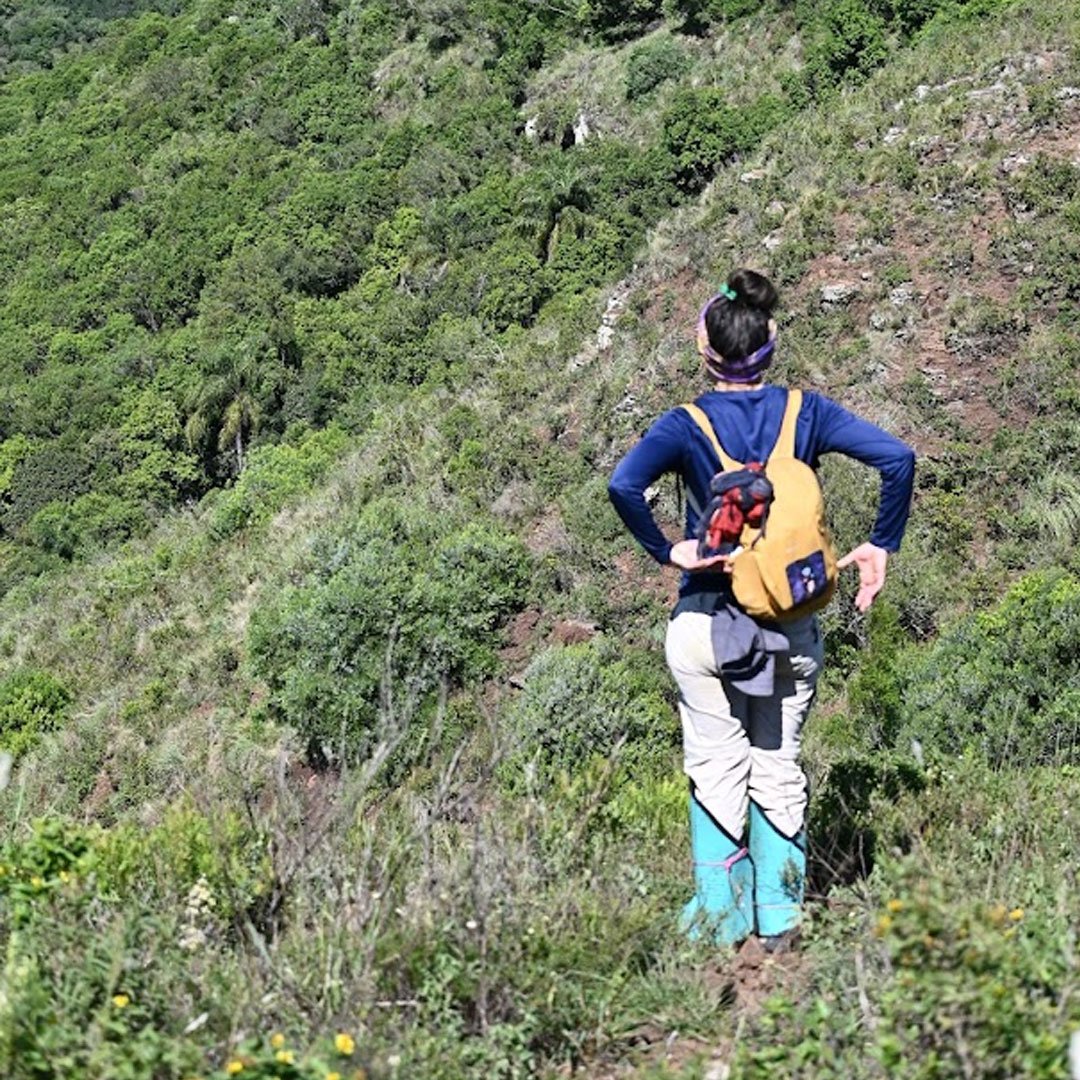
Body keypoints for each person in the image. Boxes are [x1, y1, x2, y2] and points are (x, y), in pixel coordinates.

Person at [608, 269, 915, 950]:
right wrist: (880, 544)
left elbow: (623, 484)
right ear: (770, 343)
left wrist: (670, 552)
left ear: (704, 350)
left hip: (705, 625)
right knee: (777, 762)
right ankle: (780, 919)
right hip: (788, 623)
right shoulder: (806, 413)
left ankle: (722, 920)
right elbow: (897, 459)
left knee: (717, 765)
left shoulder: (684, 425)